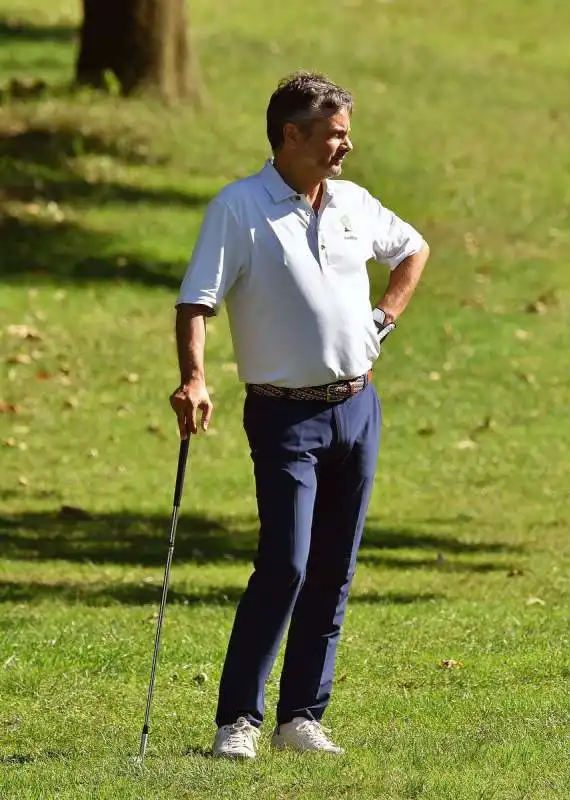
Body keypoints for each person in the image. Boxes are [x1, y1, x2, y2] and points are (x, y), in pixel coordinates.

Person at [170, 71, 430, 759]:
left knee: (333, 570)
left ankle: (300, 718)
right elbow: (197, 300)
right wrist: (193, 379)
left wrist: (385, 319)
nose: (346, 146)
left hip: (356, 408)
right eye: (335, 134)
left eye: (344, 133)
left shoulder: (350, 202)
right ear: (293, 135)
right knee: (284, 563)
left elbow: (412, 249)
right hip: (285, 419)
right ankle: (239, 722)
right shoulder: (240, 207)